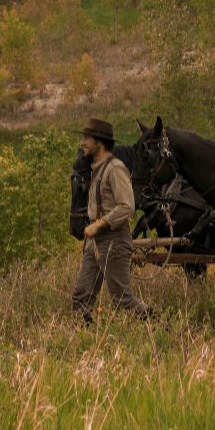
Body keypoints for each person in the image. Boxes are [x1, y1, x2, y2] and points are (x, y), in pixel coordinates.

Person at [70, 117, 150, 323]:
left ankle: (159, 328)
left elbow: (127, 206)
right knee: (81, 298)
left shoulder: (115, 168)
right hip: (95, 242)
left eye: (87, 138)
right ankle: (84, 338)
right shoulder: (96, 168)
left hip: (114, 240)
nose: (83, 143)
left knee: (123, 300)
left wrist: (97, 224)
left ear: (99, 142)